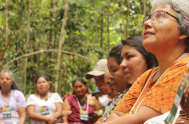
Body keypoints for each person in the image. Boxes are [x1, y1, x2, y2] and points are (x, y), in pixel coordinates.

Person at [103, 0, 189, 123]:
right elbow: (114, 115)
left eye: (160, 16)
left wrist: (130, 118)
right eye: (149, 18)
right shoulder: (148, 76)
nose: (147, 23)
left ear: (184, 30)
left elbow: (139, 119)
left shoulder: (185, 67)